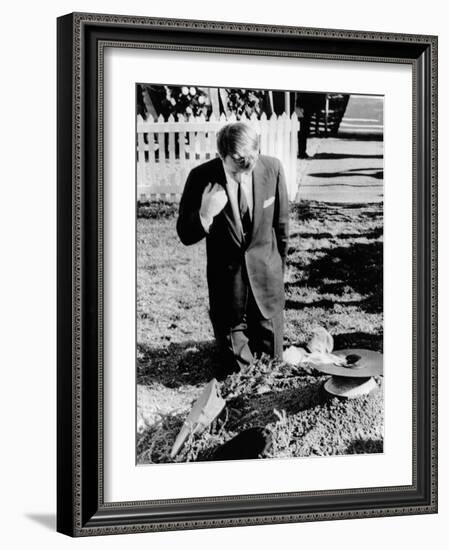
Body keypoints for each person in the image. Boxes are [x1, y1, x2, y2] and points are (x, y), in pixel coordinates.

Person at [176, 122, 289, 378]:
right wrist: (205, 214)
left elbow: (281, 227)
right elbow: (184, 234)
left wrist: (277, 274)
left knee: (274, 370)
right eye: (236, 167)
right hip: (227, 291)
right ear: (221, 155)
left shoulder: (272, 168)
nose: (243, 175)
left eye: (249, 166)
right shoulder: (200, 177)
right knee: (237, 375)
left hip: (267, 286)